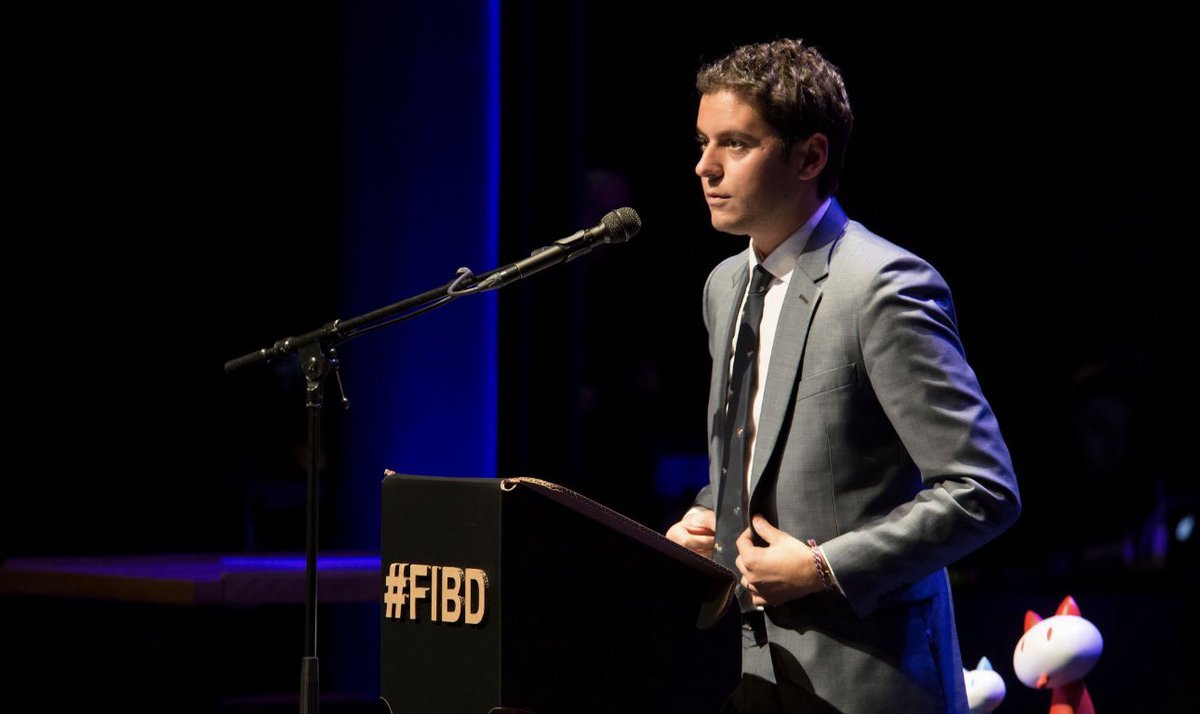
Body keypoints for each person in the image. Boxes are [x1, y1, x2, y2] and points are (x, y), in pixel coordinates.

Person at [664, 39, 1021, 713]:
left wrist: (824, 568)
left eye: (735, 144)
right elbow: (747, 459)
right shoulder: (724, 285)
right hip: (739, 671)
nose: (704, 166)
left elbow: (983, 490)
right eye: (703, 142)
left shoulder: (882, 287)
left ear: (809, 157)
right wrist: (709, 517)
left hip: (865, 674)